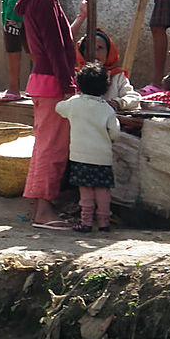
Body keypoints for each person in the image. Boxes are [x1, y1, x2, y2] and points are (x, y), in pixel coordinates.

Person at [13, 0, 77, 229]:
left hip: (40, 80)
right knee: (53, 149)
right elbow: (56, 46)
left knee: (44, 146)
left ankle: (40, 207)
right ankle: (43, 211)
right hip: (52, 83)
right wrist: (68, 85)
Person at [56, 62, 120, 233]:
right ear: (105, 87)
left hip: (80, 157)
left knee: (85, 192)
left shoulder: (74, 103)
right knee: (102, 191)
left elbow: (58, 108)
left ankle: (86, 222)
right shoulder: (107, 109)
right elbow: (115, 133)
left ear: (80, 84)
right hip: (102, 158)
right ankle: (104, 222)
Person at [76, 30, 141, 111]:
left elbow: (134, 98)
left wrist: (118, 103)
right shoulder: (76, 75)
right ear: (82, 52)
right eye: (90, 48)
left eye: (100, 48)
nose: (95, 53)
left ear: (108, 52)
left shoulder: (118, 76)